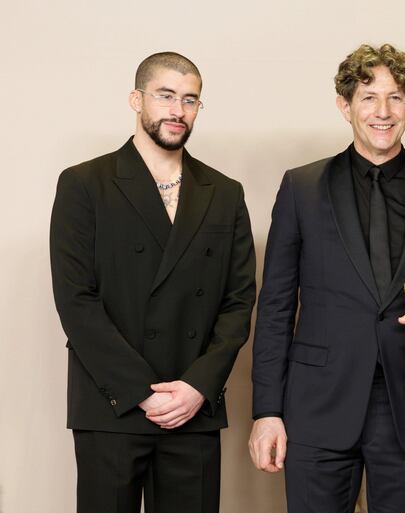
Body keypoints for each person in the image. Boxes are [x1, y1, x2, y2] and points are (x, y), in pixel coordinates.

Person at [248, 43, 405, 513]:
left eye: (395, 97)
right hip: (316, 406)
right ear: (345, 106)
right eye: (368, 97)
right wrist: (267, 412)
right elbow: (274, 306)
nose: (383, 111)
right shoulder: (301, 188)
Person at [50, 51, 256, 513]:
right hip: (113, 405)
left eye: (190, 100)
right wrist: (141, 392)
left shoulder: (224, 192)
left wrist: (197, 386)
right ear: (136, 99)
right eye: (165, 96)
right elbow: (75, 301)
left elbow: (239, 300)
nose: (177, 111)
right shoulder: (85, 184)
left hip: (193, 407)